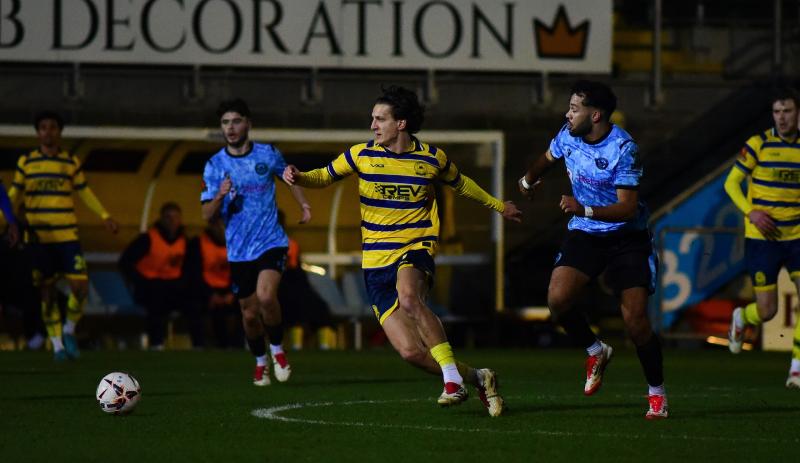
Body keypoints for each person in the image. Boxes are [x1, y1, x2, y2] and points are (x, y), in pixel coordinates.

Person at [283, 85, 521, 416]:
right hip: (375, 262)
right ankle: (478, 378)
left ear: (401, 123)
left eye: (380, 119)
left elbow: (462, 183)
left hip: (414, 247)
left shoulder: (431, 158)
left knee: (410, 298)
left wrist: (499, 206)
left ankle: (451, 381)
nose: (373, 125)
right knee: (410, 352)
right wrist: (299, 176)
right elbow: (323, 176)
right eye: (372, 119)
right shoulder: (361, 155)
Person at [518, 80, 667, 419]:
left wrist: (581, 208)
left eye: (574, 109)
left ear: (595, 115)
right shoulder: (568, 134)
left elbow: (627, 208)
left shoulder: (623, 149)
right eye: (569, 107)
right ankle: (595, 349)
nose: (567, 114)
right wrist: (528, 180)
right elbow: (547, 156)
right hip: (586, 233)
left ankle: (656, 392)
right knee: (557, 300)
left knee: (635, 320)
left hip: (626, 237)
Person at [201, 98, 311, 386]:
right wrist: (220, 196)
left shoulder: (267, 154)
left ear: (248, 123)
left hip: (270, 241)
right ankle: (260, 361)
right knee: (249, 315)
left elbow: (290, 177)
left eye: (236, 121)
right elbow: (207, 215)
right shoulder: (215, 166)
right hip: (239, 251)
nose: (231, 128)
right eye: (225, 123)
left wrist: (304, 205)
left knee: (266, 297)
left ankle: (277, 350)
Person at [7, 111, 118, 361]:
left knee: (80, 288)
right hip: (39, 239)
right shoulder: (26, 162)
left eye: (53, 127)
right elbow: (14, 194)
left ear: (59, 132)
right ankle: (57, 346)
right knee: (46, 292)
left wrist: (104, 215)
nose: (48, 131)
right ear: (38, 133)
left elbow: (84, 191)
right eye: (43, 127)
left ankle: (68, 330)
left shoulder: (70, 162)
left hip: (67, 235)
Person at [725, 89, 800, 389]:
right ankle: (743, 317)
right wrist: (750, 212)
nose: (782, 117)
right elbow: (731, 183)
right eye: (777, 112)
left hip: (796, 236)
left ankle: (796, 368)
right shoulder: (760, 144)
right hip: (762, 238)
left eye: (788, 111)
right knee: (768, 311)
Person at [119, 202, 201, 349]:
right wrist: (140, 281)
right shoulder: (147, 239)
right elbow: (125, 262)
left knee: (194, 303)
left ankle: (198, 344)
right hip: (150, 287)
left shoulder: (185, 241)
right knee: (156, 302)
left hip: (174, 288)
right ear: (161, 219)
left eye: (175, 217)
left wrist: (183, 283)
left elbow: (190, 269)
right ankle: (157, 343)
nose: (172, 221)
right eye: (168, 217)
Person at [276, 210, 335, 350]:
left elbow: (297, 268)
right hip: (275, 286)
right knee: (294, 300)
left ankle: (322, 342)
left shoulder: (291, 244)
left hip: (293, 285)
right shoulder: (260, 244)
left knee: (314, 304)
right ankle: (296, 338)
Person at [185, 216, 243, 349]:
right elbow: (193, 274)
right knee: (193, 304)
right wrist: (210, 294)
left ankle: (238, 346)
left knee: (247, 304)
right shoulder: (198, 244)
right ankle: (199, 345)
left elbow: (242, 274)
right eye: (219, 225)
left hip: (229, 292)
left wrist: (232, 293)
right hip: (204, 291)